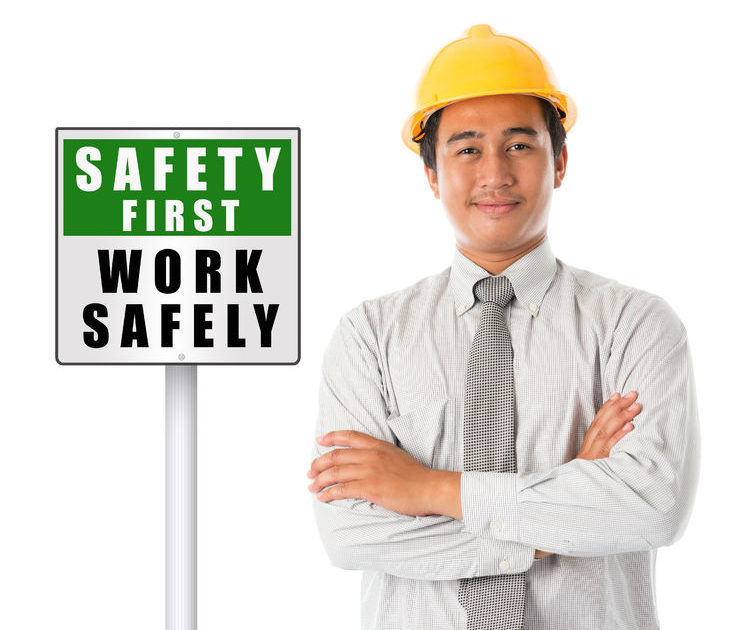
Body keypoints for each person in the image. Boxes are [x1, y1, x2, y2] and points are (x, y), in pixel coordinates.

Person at [307, 24, 700, 630]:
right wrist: (559, 514)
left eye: (520, 145)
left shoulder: (635, 325)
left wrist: (430, 490)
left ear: (560, 160)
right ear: (432, 174)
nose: (495, 173)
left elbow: (652, 506)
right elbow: (351, 532)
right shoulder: (370, 337)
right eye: (466, 149)